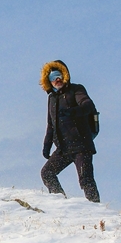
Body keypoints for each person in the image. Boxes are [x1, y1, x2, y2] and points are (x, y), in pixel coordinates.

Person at [40, 60, 100, 202]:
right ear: (48, 81)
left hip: (81, 145)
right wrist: (47, 145)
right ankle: (61, 202)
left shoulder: (76, 89)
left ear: (65, 75)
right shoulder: (52, 99)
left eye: (59, 75)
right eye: (53, 78)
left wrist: (72, 112)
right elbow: (51, 124)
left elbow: (88, 105)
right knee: (47, 173)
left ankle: (97, 210)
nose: (57, 80)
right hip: (63, 148)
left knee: (86, 179)